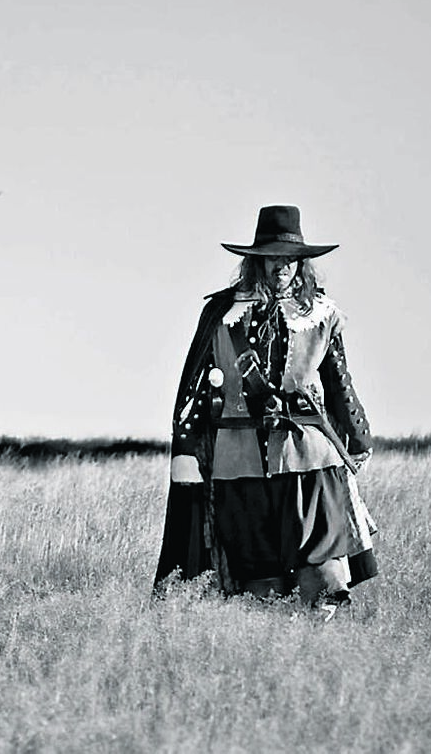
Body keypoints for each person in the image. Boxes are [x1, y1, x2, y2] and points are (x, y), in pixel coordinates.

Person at [153, 204, 378, 614]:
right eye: (273, 258)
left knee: (323, 565)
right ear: (255, 261)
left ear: (302, 264)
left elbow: (339, 381)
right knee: (258, 576)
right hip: (238, 462)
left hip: (309, 458)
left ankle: (322, 647)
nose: (281, 267)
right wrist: (186, 450)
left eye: (290, 259)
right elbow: (195, 388)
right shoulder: (220, 314)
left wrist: (358, 436)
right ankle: (272, 649)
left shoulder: (322, 315)